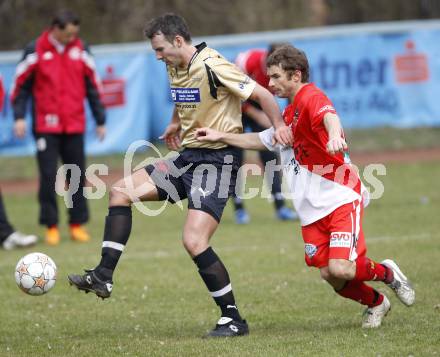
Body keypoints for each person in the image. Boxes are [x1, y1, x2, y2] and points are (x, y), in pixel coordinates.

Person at [68, 13, 292, 338]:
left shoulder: (213, 64)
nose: (157, 56)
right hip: (188, 157)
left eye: (160, 49)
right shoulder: (174, 65)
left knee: (194, 240)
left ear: (177, 41)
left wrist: (280, 128)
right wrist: (176, 121)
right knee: (120, 191)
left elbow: (263, 95)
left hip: (217, 162)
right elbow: (184, 94)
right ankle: (103, 274)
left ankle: (233, 319)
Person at [196, 45, 415, 328]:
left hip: (340, 196)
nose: (270, 83)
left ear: (295, 75)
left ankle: (387, 273)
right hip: (312, 209)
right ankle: (376, 303)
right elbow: (261, 140)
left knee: (341, 267)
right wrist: (218, 135)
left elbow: (329, 116)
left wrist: (335, 135)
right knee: (330, 274)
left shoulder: (310, 96)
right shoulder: (288, 115)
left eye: (275, 77)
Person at [11, 9, 106, 246]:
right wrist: (19, 116)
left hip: (74, 123)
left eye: (75, 34)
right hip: (46, 125)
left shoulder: (81, 49)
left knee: (76, 175)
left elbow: (93, 85)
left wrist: (100, 118)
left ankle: (77, 224)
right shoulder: (35, 50)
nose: (71, 38)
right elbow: (20, 86)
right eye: (68, 34)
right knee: (48, 176)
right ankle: (51, 225)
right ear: (55, 29)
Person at [232, 44, 298, 224]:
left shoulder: (283, 71)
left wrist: (278, 121)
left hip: (261, 106)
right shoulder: (247, 62)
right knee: (235, 158)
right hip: (236, 108)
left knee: (270, 156)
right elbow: (232, 93)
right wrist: (257, 115)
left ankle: (280, 207)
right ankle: (239, 209)